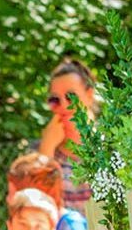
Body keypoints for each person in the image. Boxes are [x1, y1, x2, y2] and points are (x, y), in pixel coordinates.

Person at [36, 55, 98, 213]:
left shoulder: (114, 147)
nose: (63, 105)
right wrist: (46, 150)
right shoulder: (38, 154)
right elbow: (37, 213)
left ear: (89, 95)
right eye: (55, 99)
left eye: (71, 97)